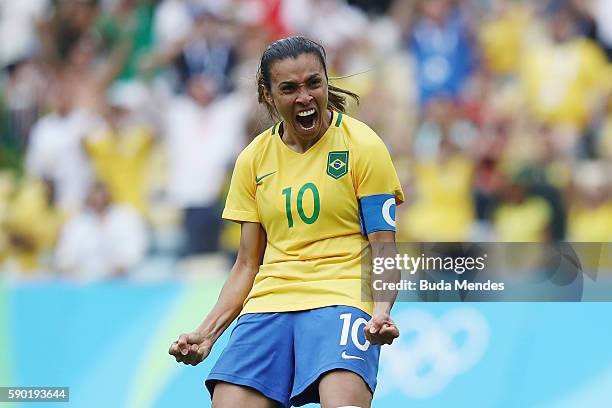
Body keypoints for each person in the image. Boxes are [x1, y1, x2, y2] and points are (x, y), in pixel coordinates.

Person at [169, 36, 404, 408]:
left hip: (342, 296)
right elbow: (247, 264)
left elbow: (384, 247)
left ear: (327, 82)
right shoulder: (253, 160)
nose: (305, 98)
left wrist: (381, 310)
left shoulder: (364, 146)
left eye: (314, 83)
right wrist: (207, 332)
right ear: (267, 95)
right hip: (270, 302)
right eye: (289, 88)